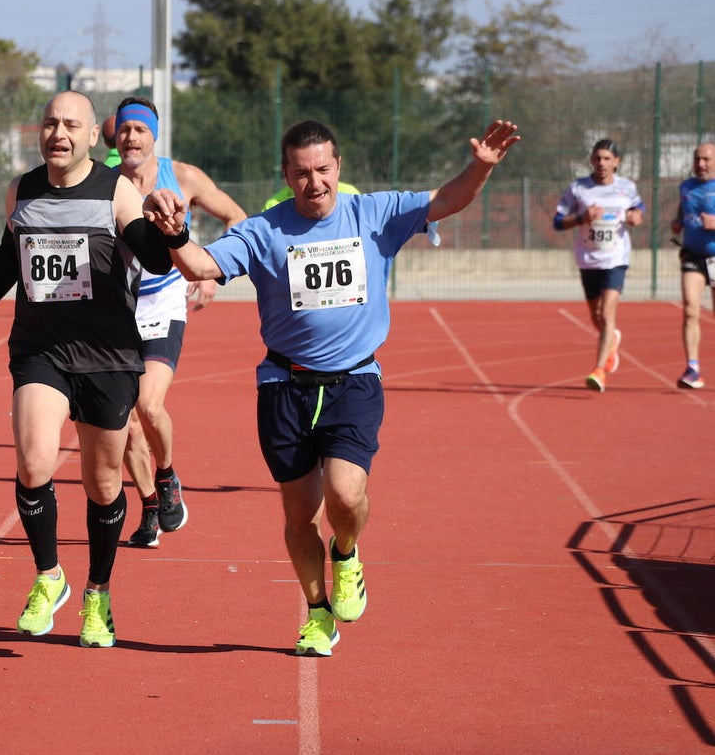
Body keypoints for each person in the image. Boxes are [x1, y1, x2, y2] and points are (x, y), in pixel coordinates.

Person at [145, 118, 520, 656]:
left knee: (345, 496)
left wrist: (480, 166)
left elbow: (448, 199)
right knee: (299, 515)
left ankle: (347, 552)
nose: (313, 182)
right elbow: (200, 264)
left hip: (354, 382)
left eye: (322, 169)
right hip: (284, 386)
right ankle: (317, 613)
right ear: (286, 175)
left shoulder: (375, 213)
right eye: (301, 173)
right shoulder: (262, 231)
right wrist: (177, 234)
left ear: (338, 168)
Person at [0, 90, 184, 648]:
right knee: (34, 461)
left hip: (108, 355)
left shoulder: (117, 191)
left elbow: (153, 258)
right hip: (41, 349)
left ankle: (98, 594)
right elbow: (12, 252)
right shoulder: (22, 189)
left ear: (90, 137)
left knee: (103, 483)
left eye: (70, 125)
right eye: (50, 123)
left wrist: (169, 232)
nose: (58, 132)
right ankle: (48, 576)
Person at [111, 96, 247, 547]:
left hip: (164, 304)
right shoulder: (105, 182)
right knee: (125, 422)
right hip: (119, 312)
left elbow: (236, 218)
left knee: (148, 406)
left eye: (140, 130)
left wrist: (212, 272)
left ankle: (167, 477)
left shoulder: (182, 176)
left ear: (154, 136)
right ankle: (150, 504)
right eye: (125, 130)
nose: (131, 138)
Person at [553, 138, 645, 393]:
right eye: (597, 158)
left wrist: (636, 216)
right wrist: (582, 218)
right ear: (591, 160)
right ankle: (612, 338)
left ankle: (599, 370)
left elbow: (639, 207)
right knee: (596, 317)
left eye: (606, 158)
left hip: (616, 259)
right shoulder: (578, 188)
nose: (601, 163)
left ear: (617, 162)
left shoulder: (626, 187)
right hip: (587, 258)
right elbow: (558, 221)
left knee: (607, 314)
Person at [671, 142, 715, 390]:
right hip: (694, 255)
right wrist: (678, 222)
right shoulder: (686, 187)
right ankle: (692, 368)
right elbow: (683, 210)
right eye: (697, 159)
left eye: (706, 160)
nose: (701, 164)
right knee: (690, 308)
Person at [262, 181, 360, 211]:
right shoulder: (272, 205)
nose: (315, 183)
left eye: (322, 169)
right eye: (302, 172)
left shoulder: (351, 194)